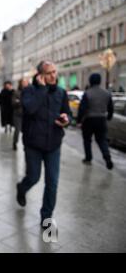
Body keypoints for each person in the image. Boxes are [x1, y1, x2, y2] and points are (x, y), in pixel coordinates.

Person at [16, 61, 71, 230]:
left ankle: (46, 218)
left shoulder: (61, 93)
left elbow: (67, 113)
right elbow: (30, 109)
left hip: (53, 143)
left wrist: (66, 119)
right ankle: (22, 188)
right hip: (33, 143)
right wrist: (41, 89)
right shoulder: (29, 91)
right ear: (40, 76)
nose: (54, 75)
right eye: (49, 73)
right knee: (34, 177)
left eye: (55, 72)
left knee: (52, 183)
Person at [77, 73, 114, 170]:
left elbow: (82, 108)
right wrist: (109, 117)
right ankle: (107, 157)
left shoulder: (87, 93)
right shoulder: (106, 93)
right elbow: (111, 107)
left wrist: (79, 120)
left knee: (87, 140)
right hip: (101, 119)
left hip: (89, 120)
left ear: (90, 81)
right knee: (102, 140)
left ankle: (88, 158)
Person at [12, 78, 29, 151]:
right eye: (24, 82)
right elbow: (13, 103)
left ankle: (26, 145)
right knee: (17, 131)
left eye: (26, 82)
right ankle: (15, 143)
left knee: (26, 132)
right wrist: (21, 101)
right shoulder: (17, 92)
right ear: (20, 83)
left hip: (27, 115)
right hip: (18, 115)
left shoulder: (29, 92)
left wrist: (19, 101)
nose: (25, 84)